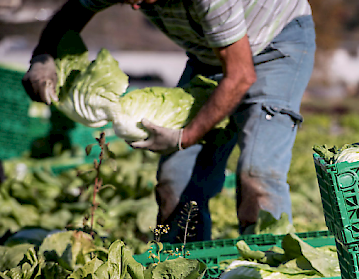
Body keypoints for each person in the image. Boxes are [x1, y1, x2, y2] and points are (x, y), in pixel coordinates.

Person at [22, 0, 316, 243]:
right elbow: (71, 14)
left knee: (258, 172)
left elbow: (240, 75)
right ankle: (183, 277)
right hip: (211, 56)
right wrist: (43, 57)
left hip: (277, 45)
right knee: (176, 178)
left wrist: (183, 137)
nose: (136, 7)